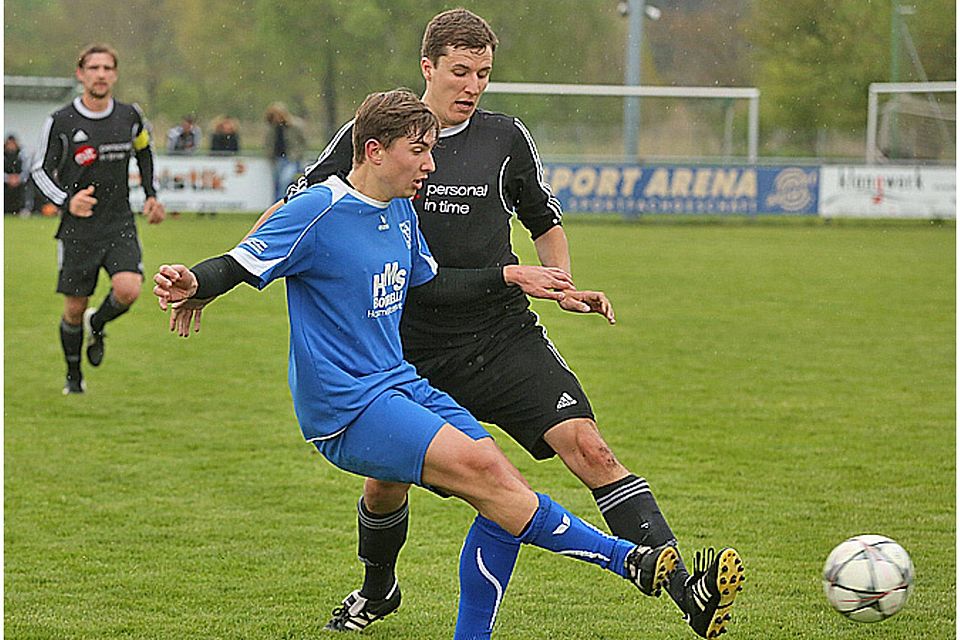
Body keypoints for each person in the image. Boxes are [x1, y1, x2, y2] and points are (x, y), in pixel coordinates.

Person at [152, 89, 688, 640]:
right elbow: (239, 263)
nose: (431, 165)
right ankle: (631, 561)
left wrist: (518, 277)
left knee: (505, 492)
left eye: (432, 150)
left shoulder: (403, 211)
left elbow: (432, 285)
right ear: (375, 151)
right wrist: (196, 283)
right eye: (420, 151)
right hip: (345, 405)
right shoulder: (319, 210)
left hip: (399, 384)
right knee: (490, 479)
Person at [281, 9, 744, 639]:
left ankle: (687, 593)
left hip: (501, 333)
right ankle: (376, 589)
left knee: (590, 448)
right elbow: (304, 209)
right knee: (384, 485)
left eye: (484, 74)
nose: (472, 86)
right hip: (406, 345)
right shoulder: (373, 135)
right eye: (460, 72)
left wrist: (562, 283)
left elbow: (543, 219)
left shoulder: (505, 137)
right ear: (428, 68)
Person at [31, 43, 165, 395]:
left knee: (129, 289)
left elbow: (145, 151)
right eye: (94, 68)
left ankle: (100, 322)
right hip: (78, 230)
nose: (101, 74)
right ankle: (74, 377)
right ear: (81, 74)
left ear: (115, 75)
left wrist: (151, 195)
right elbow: (39, 170)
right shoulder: (61, 121)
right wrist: (66, 201)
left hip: (119, 222)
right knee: (73, 309)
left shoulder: (130, 116)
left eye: (107, 68)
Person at [264, 102, 306, 201]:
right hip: (277, 159)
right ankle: (276, 205)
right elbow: (269, 143)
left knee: (285, 180)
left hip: (291, 159)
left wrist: (297, 155)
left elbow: (302, 142)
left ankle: (280, 203)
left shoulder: (294, 126)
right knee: (277, 183)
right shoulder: (272, 128)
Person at [5, 135, 26, 214]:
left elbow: (26, 169)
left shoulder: (22, 155)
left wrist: (18, 178)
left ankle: (23, 208)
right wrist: (8, 178)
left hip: (19, 182)